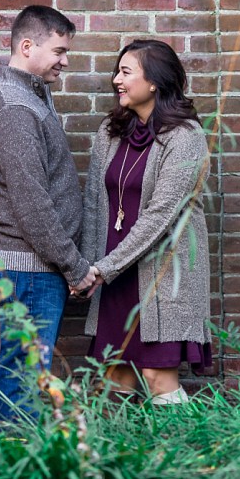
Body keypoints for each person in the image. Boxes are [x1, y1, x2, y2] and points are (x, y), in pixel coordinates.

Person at [0, 5, 99, 425]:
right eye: (59, 51)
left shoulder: (30, 94)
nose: (65, 61)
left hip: (34, 269)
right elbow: (32, 204)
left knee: (26, 377)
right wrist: (74, 266)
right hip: (29, 271)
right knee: (23, 382)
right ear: (27, 46)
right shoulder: (16, 109)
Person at [78, 39, 212, 405]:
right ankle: (121, 460)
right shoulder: (110, 131)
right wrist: (90, 269)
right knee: (112, 377)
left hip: (161, 278)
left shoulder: (185, 137)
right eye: (116, 72)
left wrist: (105, 268)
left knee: (155, 377)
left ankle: (190, 456)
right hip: (115, 278)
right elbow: (94, 203)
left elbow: (161, 218)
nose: (116, 80)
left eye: (126, 72)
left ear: (154, 81)